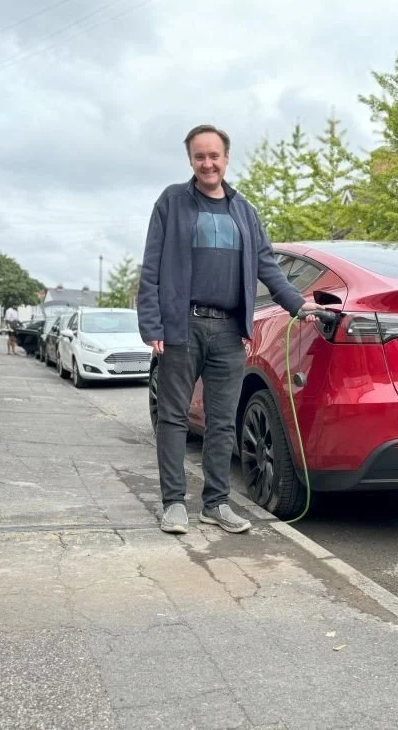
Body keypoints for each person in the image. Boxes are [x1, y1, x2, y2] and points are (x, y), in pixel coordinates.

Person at [138, 124, 322, 535]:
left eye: (214, 155)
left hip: (229, 330)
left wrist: (297, 304)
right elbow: (151, 267)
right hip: (180, 325)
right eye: (199, 156)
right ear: (191, 160)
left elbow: (267, 266)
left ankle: (216, 503)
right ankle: (173, 504)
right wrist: (151, 323)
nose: (208, 163)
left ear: (226, 158)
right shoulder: (172, 202)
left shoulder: (244, 211)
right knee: (173, 418)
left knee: (222, 422)